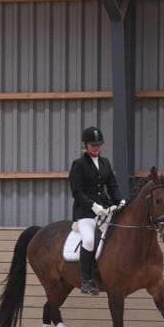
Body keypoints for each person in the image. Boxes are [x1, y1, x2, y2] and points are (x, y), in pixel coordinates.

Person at [68, 126, 124, 295]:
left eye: (99, 145)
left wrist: (120, 200)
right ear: (85, 145)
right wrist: (93, 206)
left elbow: (112, 186)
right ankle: (86, 280)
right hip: (85, 213)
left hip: (105, 210)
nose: (96, 148)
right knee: (90, 239)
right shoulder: (79, 164)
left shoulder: (105, 162)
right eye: (93, 145)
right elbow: (76, 192)